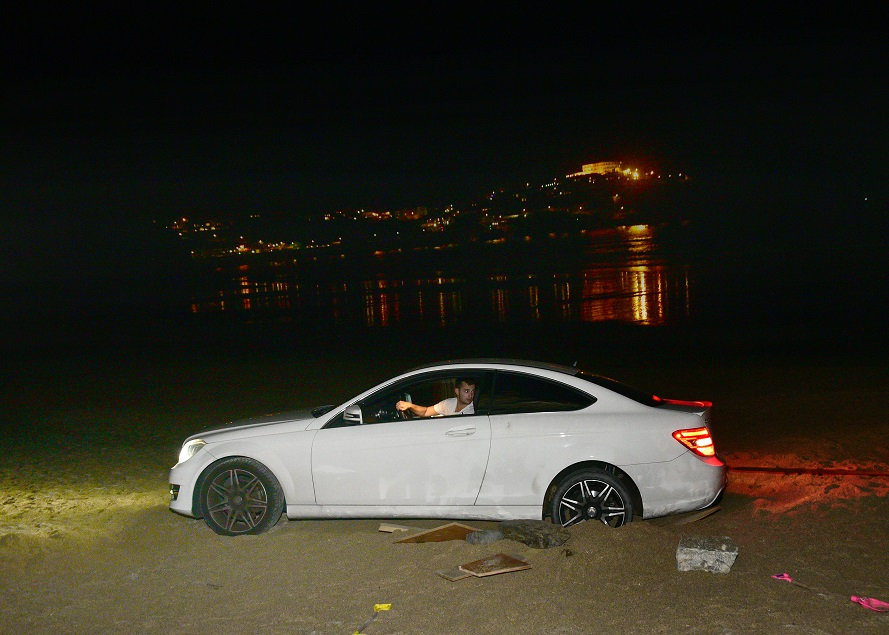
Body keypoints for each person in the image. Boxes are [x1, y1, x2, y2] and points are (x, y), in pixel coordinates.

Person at [396, 377, 476, 417]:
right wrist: (410, 405)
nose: (471, 395)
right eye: (466, 391)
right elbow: (426, 411)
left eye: (473, 391)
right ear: (457, 391)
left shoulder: (474, 409)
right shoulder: (449, 403)